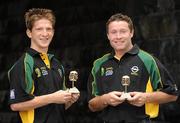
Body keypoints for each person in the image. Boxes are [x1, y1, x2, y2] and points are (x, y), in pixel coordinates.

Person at [87, 13, 178, 123]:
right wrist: (105, 99)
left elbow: (173, 95)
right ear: (108, 35)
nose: (118, 36)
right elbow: (92, 105)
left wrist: (145, 98)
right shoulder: (99, 64)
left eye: (123, 31)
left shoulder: (148, 60)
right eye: (113, 32)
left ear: (131, 33)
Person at [8, 8, 80, 123]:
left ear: (53, 32)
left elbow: (56, 106)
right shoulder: (24, 64)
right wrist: (53, 98)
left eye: (49, 29)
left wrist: (69, 100)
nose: (45, 33)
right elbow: (16, 105)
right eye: (39, 29)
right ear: (29, 33)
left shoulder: (57, 64)